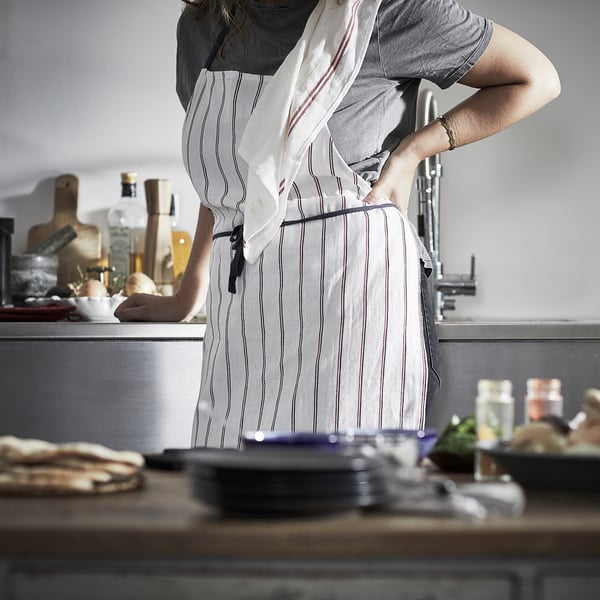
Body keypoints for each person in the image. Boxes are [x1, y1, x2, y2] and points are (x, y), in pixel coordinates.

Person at [115, 0, 560, 449]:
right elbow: (234, 180)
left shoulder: (386, 12)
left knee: (340, 485)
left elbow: (534, 79)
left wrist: (413, 151)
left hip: (349, 293)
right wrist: (190, 290)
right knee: (231, 485)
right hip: (244, 313)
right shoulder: (203, 24)